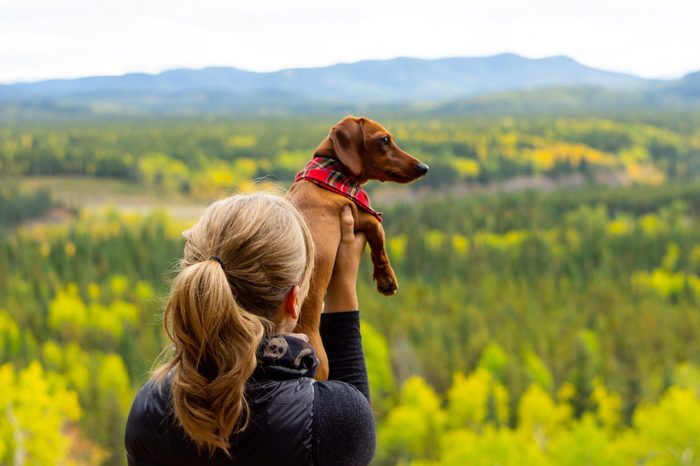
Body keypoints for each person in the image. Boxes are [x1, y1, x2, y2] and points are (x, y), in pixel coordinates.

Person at [125, 193, 375, 466]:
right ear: (292, 302)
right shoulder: (330, 423)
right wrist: (343, 284)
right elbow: (353, 420)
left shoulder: (149, 409)